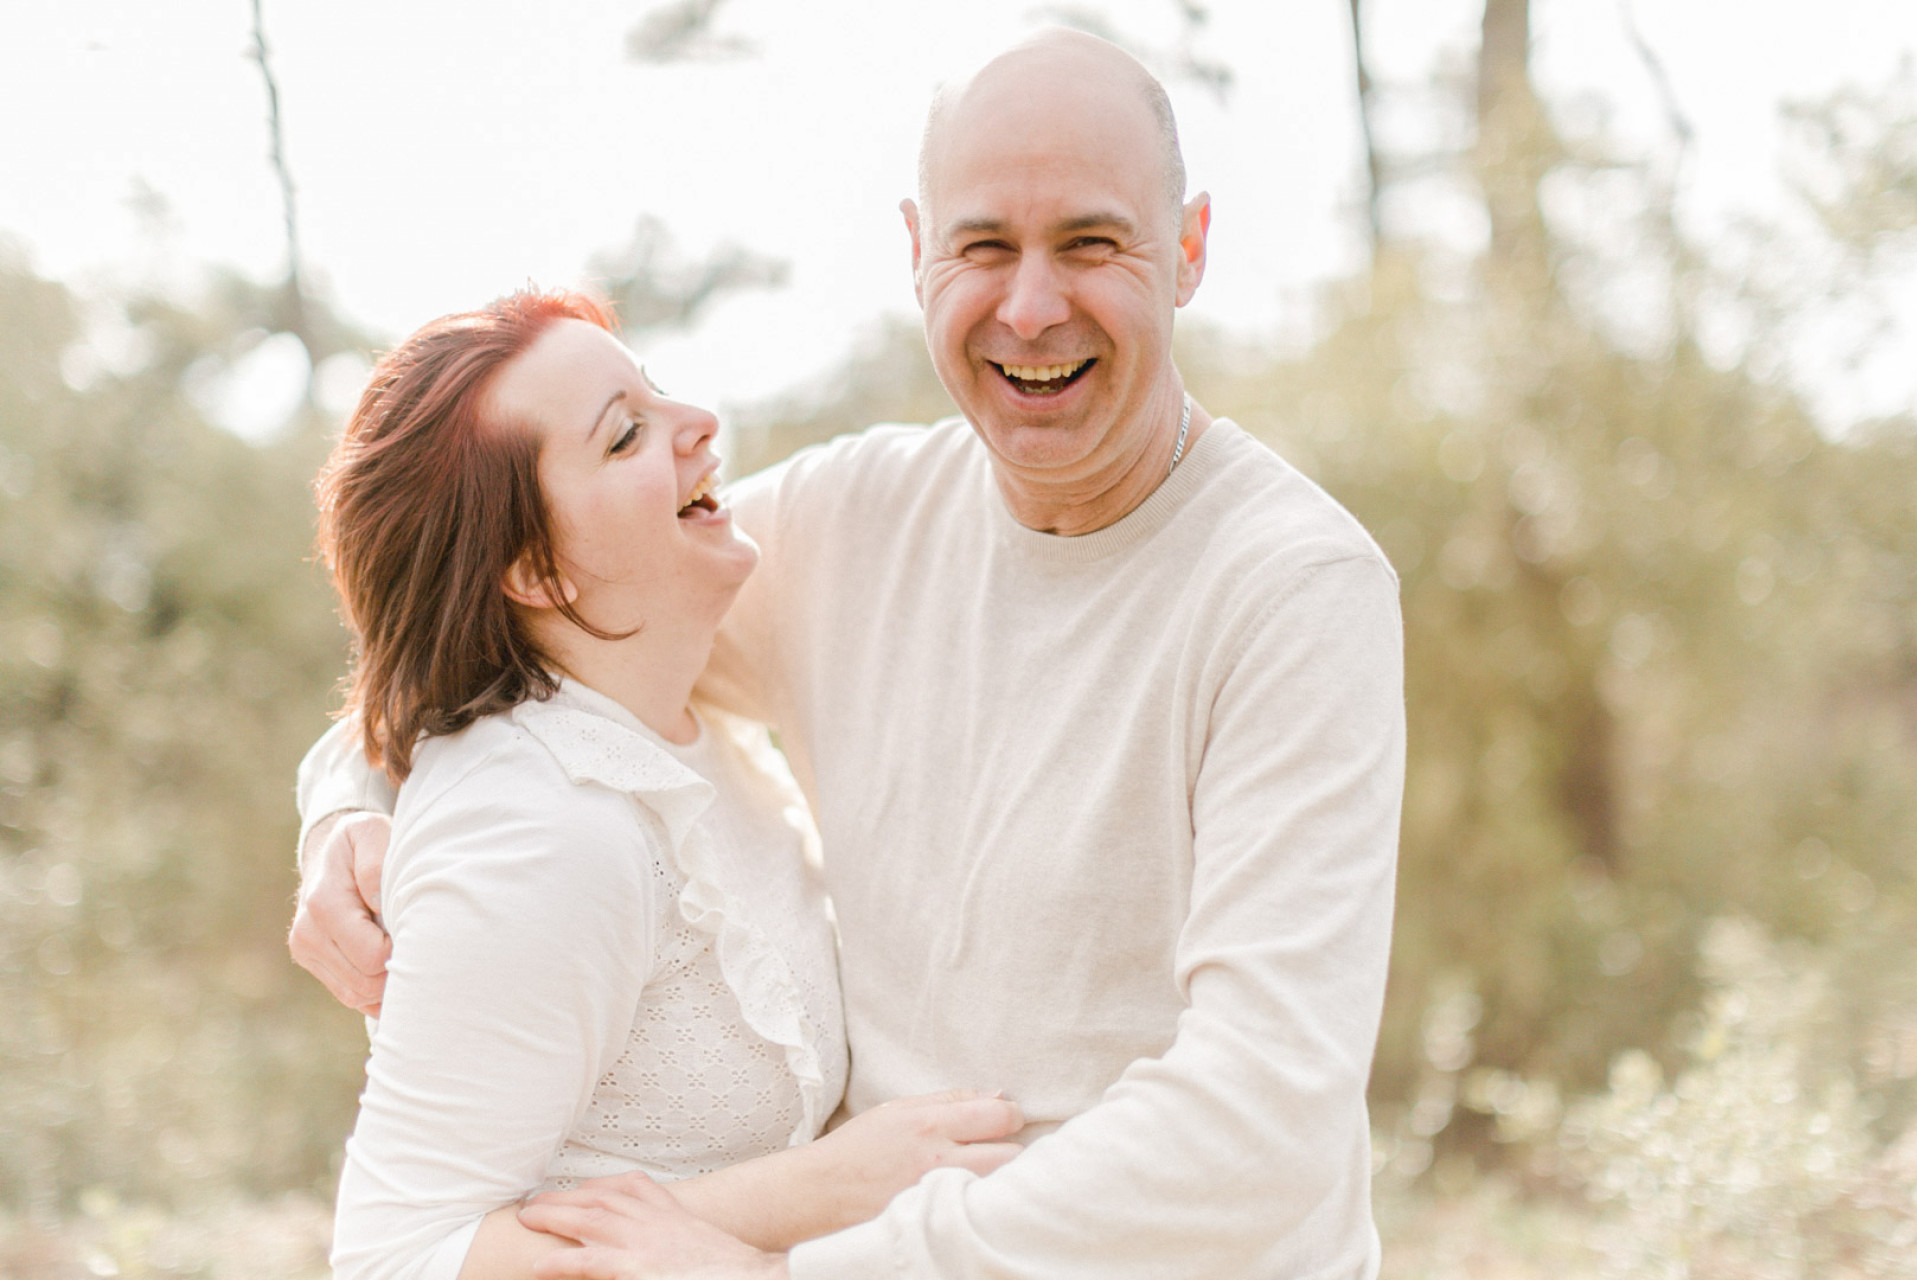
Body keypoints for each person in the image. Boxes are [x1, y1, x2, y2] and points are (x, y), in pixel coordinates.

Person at [295, 28, 1405, 1279]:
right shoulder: (853, 520)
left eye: (1091, 243)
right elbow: (521, 636)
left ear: (1191, 247)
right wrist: (346, 805)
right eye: (984, 247)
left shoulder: (1295, 591)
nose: (1031, 305)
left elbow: (1264, 1122)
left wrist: (796, 1263)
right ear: (918, 254)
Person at [305, 289, 1023, 1280]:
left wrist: (341, 795)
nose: (700, 427)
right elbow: (393, 1256)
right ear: (536, 570)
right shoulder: (544, 827)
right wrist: (813, 1189)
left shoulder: (668, 708)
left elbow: (395, 707)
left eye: (657, 392)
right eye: (626, 435)